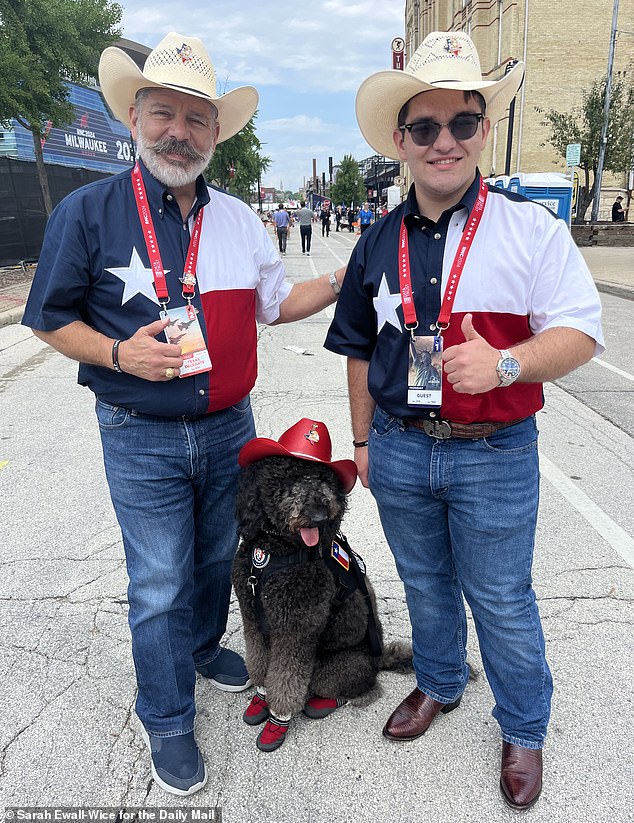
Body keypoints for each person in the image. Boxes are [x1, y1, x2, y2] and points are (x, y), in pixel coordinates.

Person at [22, 31, 345, 798]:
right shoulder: (86, 211)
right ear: (134, 119)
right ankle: (164, 712)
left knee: (208, 561)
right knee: (160, 578)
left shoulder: (237, 219)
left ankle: (203, 648)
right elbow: (46, 317)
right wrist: (115, 354)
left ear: (215, 134)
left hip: (231, 430)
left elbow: (276, 302)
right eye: (163, 113)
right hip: (140, 433)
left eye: (196, 120)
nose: (179, 131)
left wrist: (338, 276)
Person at [325, 30, 604, 812]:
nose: (443, 141)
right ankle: (441, 684)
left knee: (502, 596)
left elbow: (582, 330)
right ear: (400, 140)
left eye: (461, 123)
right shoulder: (374, 242)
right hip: (401, 448)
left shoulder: (531, 231)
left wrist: (507, 363)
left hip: (495, 451)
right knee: (424, 582)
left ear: (483, 129)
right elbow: (353, 350)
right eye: (425, 127)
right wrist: (360, 443)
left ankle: (523, 725)